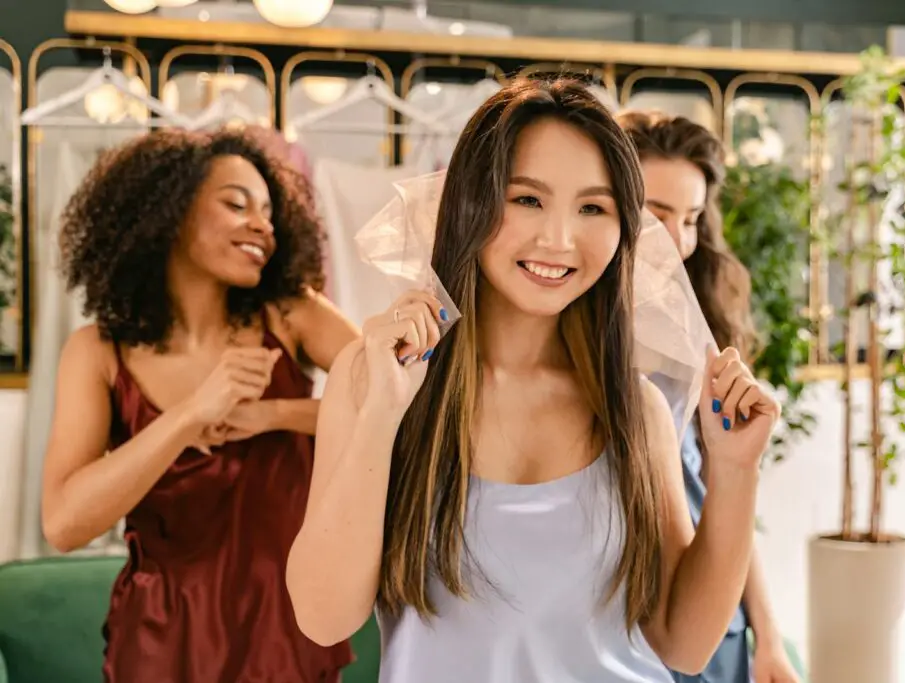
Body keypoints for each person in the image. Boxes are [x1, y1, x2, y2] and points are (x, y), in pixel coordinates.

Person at [286, 77, 780, 683]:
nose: (559, 239)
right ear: (470, 202)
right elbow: (323, 618)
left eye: (593, 208)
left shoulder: (634, 407)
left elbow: (683, 644)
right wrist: (384, 412)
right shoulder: (372, 379)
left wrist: (736, 471)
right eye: (527, 199)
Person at [40, 128, 359, 682]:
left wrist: (273, 414)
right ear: (169, 212)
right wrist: (190, 417)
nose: (262, 225)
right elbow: (65, 524)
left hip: (282, 631)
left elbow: (409, 403)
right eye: (236, 205)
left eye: (267, 211)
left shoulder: (290, 316)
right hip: (160, 642)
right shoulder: (98, 352)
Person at [617, 109, 801, 683]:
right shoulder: (558, 330)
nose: (677, 239)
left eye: (692, 219)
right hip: (615, 606)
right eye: (657, 214)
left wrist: (768, 636)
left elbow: (720, 493)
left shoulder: (697, 339)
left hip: (706, 595)